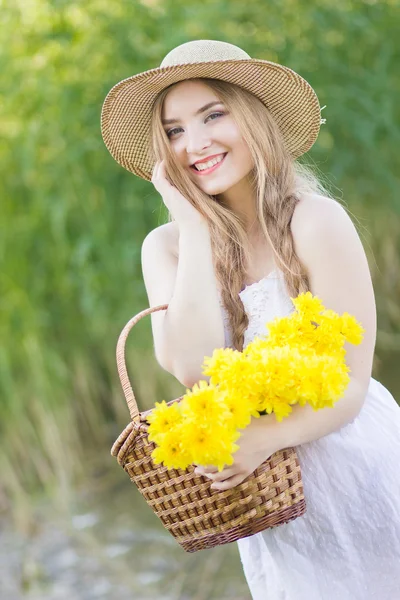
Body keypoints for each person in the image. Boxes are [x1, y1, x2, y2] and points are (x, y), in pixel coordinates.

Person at [101, 40, 400, 600]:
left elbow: (352, 386)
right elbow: (193, 368)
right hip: (271, 505)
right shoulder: (165, 247)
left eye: (214, 115)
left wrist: (266, 437)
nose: (195, 143)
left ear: (254, 119)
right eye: (174, 131)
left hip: (362, 475)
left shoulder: (314, 222)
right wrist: (192, 228)